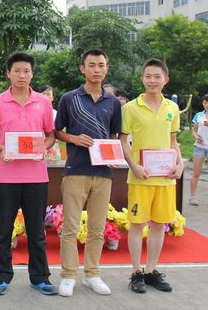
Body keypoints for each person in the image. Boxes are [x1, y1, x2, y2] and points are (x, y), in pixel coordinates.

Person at [0, 52, 57, 296]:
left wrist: (43, 148)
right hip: (5, 178)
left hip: (36, 177)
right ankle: (1, 277)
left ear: (32, 74)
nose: (21, 75)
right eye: (17, 71)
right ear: (8, 73)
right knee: (4, 230)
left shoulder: (43, 103)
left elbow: (51, 135)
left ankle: (40, 277)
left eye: (26, 71)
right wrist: (2, 148)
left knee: (37, 231)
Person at [54, 49, 121, 297]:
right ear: (82, 68)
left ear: (107, 68)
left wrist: (114, 156)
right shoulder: (69, 98)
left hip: (103, 173)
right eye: (91, 65)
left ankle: (92, 274)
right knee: (70, 227)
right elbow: (56, 131)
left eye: (101, 65)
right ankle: (68, 275)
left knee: (97, 228)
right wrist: (73, 138)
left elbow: (114, 136)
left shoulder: (113, 102)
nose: (96, 69)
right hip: (76, 170)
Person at [120, 59, 183, 294]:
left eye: (157, 76)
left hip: (166, 178)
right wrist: (134, 166)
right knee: (137, 225)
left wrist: (179, 164)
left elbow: (173, 140)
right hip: (141, 178)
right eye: (148, 76)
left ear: (166, 80)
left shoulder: (172, 108)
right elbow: (122, 140)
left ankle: (151, 270)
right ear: (142, 79)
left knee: (159, 225)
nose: (152, 81)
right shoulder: (130, 108)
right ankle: (136, 272)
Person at [40, 85, 61, 161]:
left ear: (52, 98)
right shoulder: (33, 113)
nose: (46, 96)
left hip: (53, 149)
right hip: (37, 148)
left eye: (48, 94)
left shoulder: (57, 114)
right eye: (43, 93)